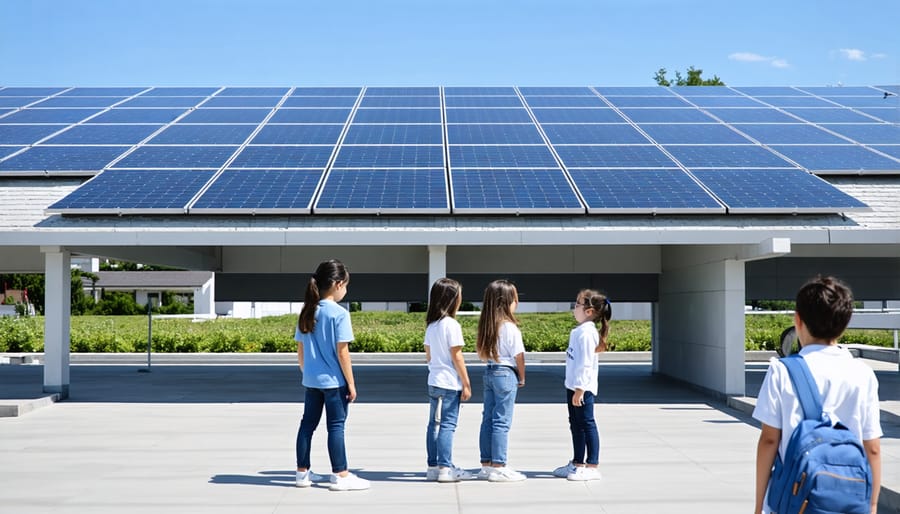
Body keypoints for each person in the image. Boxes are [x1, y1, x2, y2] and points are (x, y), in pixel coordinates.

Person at [753, 275, 882, 513]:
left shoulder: (782, 371)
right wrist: (872, 505)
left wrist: (759, 506)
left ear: (798, 320)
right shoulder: (863, 374)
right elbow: (872, 447)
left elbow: (769, 440)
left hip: (793, 501)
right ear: (845, 323)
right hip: (848, 501)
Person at [294, 259, 370, 491]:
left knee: (307, 425)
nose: (346, 290)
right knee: (336, 426)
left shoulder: (307, 311)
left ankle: (302, 473)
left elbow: (300, 351)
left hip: (311, 381)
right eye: (346, 285)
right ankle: (340, 474)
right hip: (334, 382)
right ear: (337, 284)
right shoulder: (339, 314)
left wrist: (308, 372)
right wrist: (351, 383)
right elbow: (342, 352)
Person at [552, 289, 611, 481]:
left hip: (582, 388)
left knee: (586, 423)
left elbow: (585, 363)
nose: (574, 307)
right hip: (573, 386)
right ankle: (578, 463)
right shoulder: (579, 331)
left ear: (589, 311)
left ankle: (592, 466)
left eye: (577, 304)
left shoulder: (586, 333)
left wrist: (580, 390)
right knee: (575, 424)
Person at [476, 279, 527, 482]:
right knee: (501, 422)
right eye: (515, 299)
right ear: (506, 302)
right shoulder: (510, 327)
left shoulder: (488, 326)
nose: (517, 303)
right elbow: (519, 356)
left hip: (490, 371)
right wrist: (522, 376)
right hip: (506, 373)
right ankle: (499, 466)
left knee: (488, 419)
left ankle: (486, 465)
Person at [424, 278, 474, 483]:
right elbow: (457, 356)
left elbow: (428, 355)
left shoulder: (431, 326)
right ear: (452, 299)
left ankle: (433, 467)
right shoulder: (452, 325)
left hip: (434, 381)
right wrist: (466, 383)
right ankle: (446, 468)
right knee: (447, 425)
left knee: (433, 425)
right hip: (449, 383)